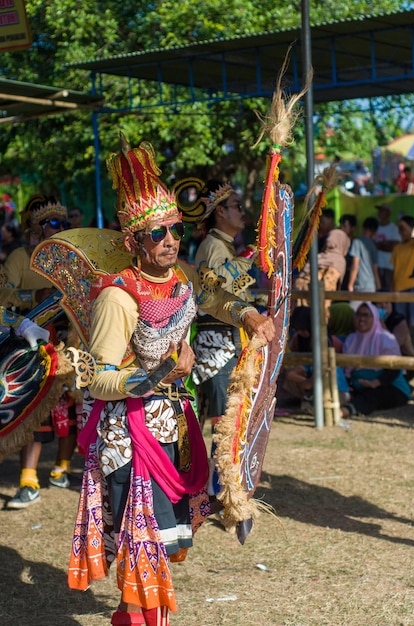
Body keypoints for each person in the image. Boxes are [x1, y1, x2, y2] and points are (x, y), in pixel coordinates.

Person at [66, 137, 275, 626]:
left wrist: (247, 314)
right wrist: (160, 371)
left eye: (174, 230)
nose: (169, 240)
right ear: (132, 242)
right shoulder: (117, 298)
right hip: (128, 434)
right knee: (144, 536)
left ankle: (142, 614)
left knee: (162, 534)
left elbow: (214, 297)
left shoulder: (181, 276)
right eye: (157, 232)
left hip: (171, 426)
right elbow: (98, 379)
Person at [0, 194, 78, 509]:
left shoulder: (74, 259)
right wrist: (36, 295)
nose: (61, 228)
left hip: (70, 339)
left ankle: (61, 468)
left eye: (65, 223)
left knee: (70, 409)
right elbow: (3, 293)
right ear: (37, 229)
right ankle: (28, 480)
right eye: (54, 224)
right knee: (32, 408)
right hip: (34, 342)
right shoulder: (21, 256)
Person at [187, 179, 262, 495]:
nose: (242, 213)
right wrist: (251, 251)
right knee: (223, 423)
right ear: (220, 212)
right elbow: (213, 293)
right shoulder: (213, 246)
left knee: (230, 420)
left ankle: (221, 488)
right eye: (237, 207)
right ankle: (220, 491)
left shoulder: (222, 246)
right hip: (216, 347)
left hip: (230, 343)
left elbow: (234, 286)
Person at [341, 302, 411, 417]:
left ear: (375, 318)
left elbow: (394, 369)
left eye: (366, 315)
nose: (361, 319)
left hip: (390, 386)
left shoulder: (386, 338)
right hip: (361, 385)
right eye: (358, 315)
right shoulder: (351, 339)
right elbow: (347, 370)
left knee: (373, 395)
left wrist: (376, 383)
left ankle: (344, 412)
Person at [294, 227, 350, 313]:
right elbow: (328, 284)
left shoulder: (320, 256)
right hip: (314, 294)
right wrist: (325, 310)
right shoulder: (339, 260)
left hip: (299, 291)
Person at [390, 215, 414, 343]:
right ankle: (408, 352)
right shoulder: (397, 247)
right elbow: (393, 271)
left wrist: (405, 223)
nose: (401, 231)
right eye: (399, 228)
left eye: (403, 228)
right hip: (398, 290)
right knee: (402, 324)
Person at [347, 216, 381, 295]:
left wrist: (350, 285)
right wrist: (379, 286)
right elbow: (375, 269)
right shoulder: (373, 246)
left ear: (362, 228)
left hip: (361, 285)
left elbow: (355, 265)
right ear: (375, 232)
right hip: (371, 285)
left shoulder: (357, 242)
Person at [373, 203, 401, 289]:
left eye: (382, 210)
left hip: (389, 266)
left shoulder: (393, 228)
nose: (380, 212)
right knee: (379, 291)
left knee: (389, 291)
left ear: (388, 213)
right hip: (377, 266)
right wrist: (385, 244)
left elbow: (394, 247)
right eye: (379, 210)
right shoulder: (375, 227)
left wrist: (378, 245)